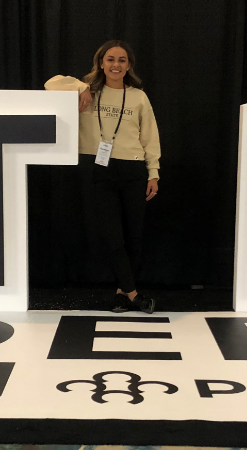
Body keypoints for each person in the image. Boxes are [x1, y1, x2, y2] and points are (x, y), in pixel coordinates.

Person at [45, 40, 161, 313]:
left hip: (134, 168)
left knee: (134, 235)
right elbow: (51, 84)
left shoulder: (138, 97)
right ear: (100, 63)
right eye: (110, 59)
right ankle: (134, 294)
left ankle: (122, 293)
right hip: (100, 168)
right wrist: (81, 87)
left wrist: (153, 172)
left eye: (121, 60)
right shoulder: (88, 93)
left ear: (129, 65)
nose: (116, 65)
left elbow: (150, 137)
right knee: (113, 236)